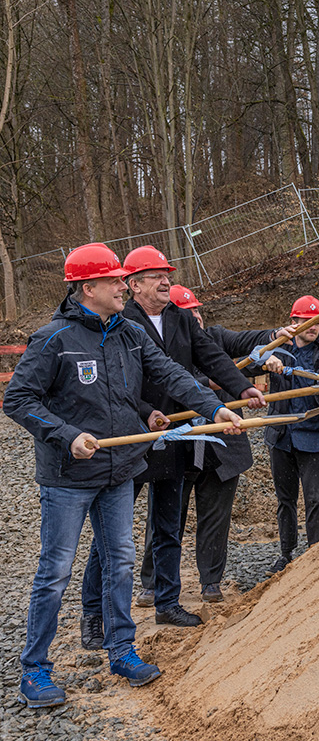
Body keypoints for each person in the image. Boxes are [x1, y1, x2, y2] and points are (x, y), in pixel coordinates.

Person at [4, 243, 242, 708]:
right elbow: (19, 400)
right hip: (68, 476)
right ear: (87, 288)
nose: (122, 286)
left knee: (121, 563)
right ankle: (34, 670)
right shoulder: (53, 339)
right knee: (55, 571)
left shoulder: (129, 334)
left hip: (120, 470)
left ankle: (121, 650)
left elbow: (171, 374)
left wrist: (214, 408)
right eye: (114, 280)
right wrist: (67, 435)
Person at [79, 246, 263, 641]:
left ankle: (167, 603)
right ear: (134, 284)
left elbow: (211, 356)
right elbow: (114, 383)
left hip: (174, 436)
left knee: (168, 526)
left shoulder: (180, 318)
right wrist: (146, 410)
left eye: (167, 275)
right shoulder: (120, 321)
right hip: (131, 438)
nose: (166, 281)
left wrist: (242, 388)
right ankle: (93, 614)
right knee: (111, 533)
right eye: (157, 276)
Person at [171, 285, 286, 603]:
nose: (195, 316)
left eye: (197, 310)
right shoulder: (163, 346)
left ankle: (210, 582)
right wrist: (206, 382)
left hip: (221, 446)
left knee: (215, 517)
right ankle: (155, 584)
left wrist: (270, 347)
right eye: (187, 312)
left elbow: (245, 347)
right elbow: (166, 380)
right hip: (179, 444)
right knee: (168, 518)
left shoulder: (215, 337)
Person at [246, 296, 319, 573]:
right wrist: (265, 358)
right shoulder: (279, 348)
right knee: (286, 500)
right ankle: (286, 553)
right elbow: (248, 364)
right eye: (306, 321)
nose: (312, 327)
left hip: (315, 437)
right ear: (293, 322)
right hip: (282, 436)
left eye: (317, 321)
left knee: (316, 500)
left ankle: (316, 555)